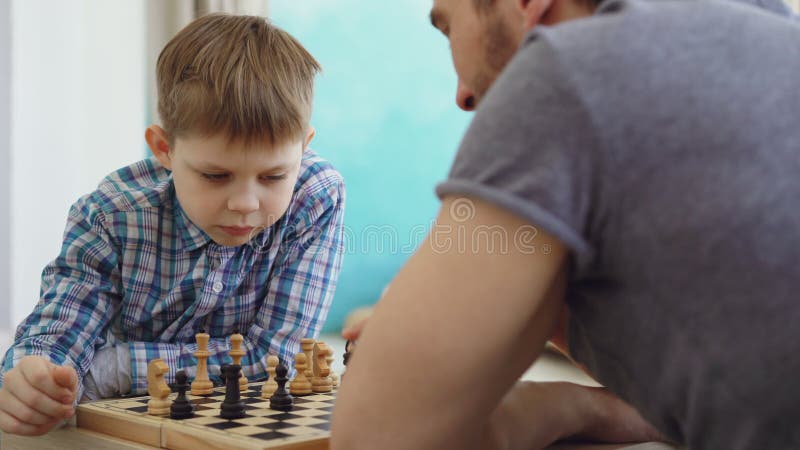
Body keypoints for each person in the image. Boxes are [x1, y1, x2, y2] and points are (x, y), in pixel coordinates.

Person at [332, 0, 800, 448]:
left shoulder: (565, 69)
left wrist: (553, 407)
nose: (464, 96)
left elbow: (375, 440)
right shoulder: (770, 29)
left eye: (448, 27)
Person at [0, 13, 346, 436]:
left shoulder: (315, 197)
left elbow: (278, 356)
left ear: (304, 147)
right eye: (215, 176)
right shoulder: (112, 214)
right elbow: (54, 343)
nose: (244, 204)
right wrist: (32, 376)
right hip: (123, 429)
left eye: (274, 176)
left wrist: (118, 366)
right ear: (164, 148)